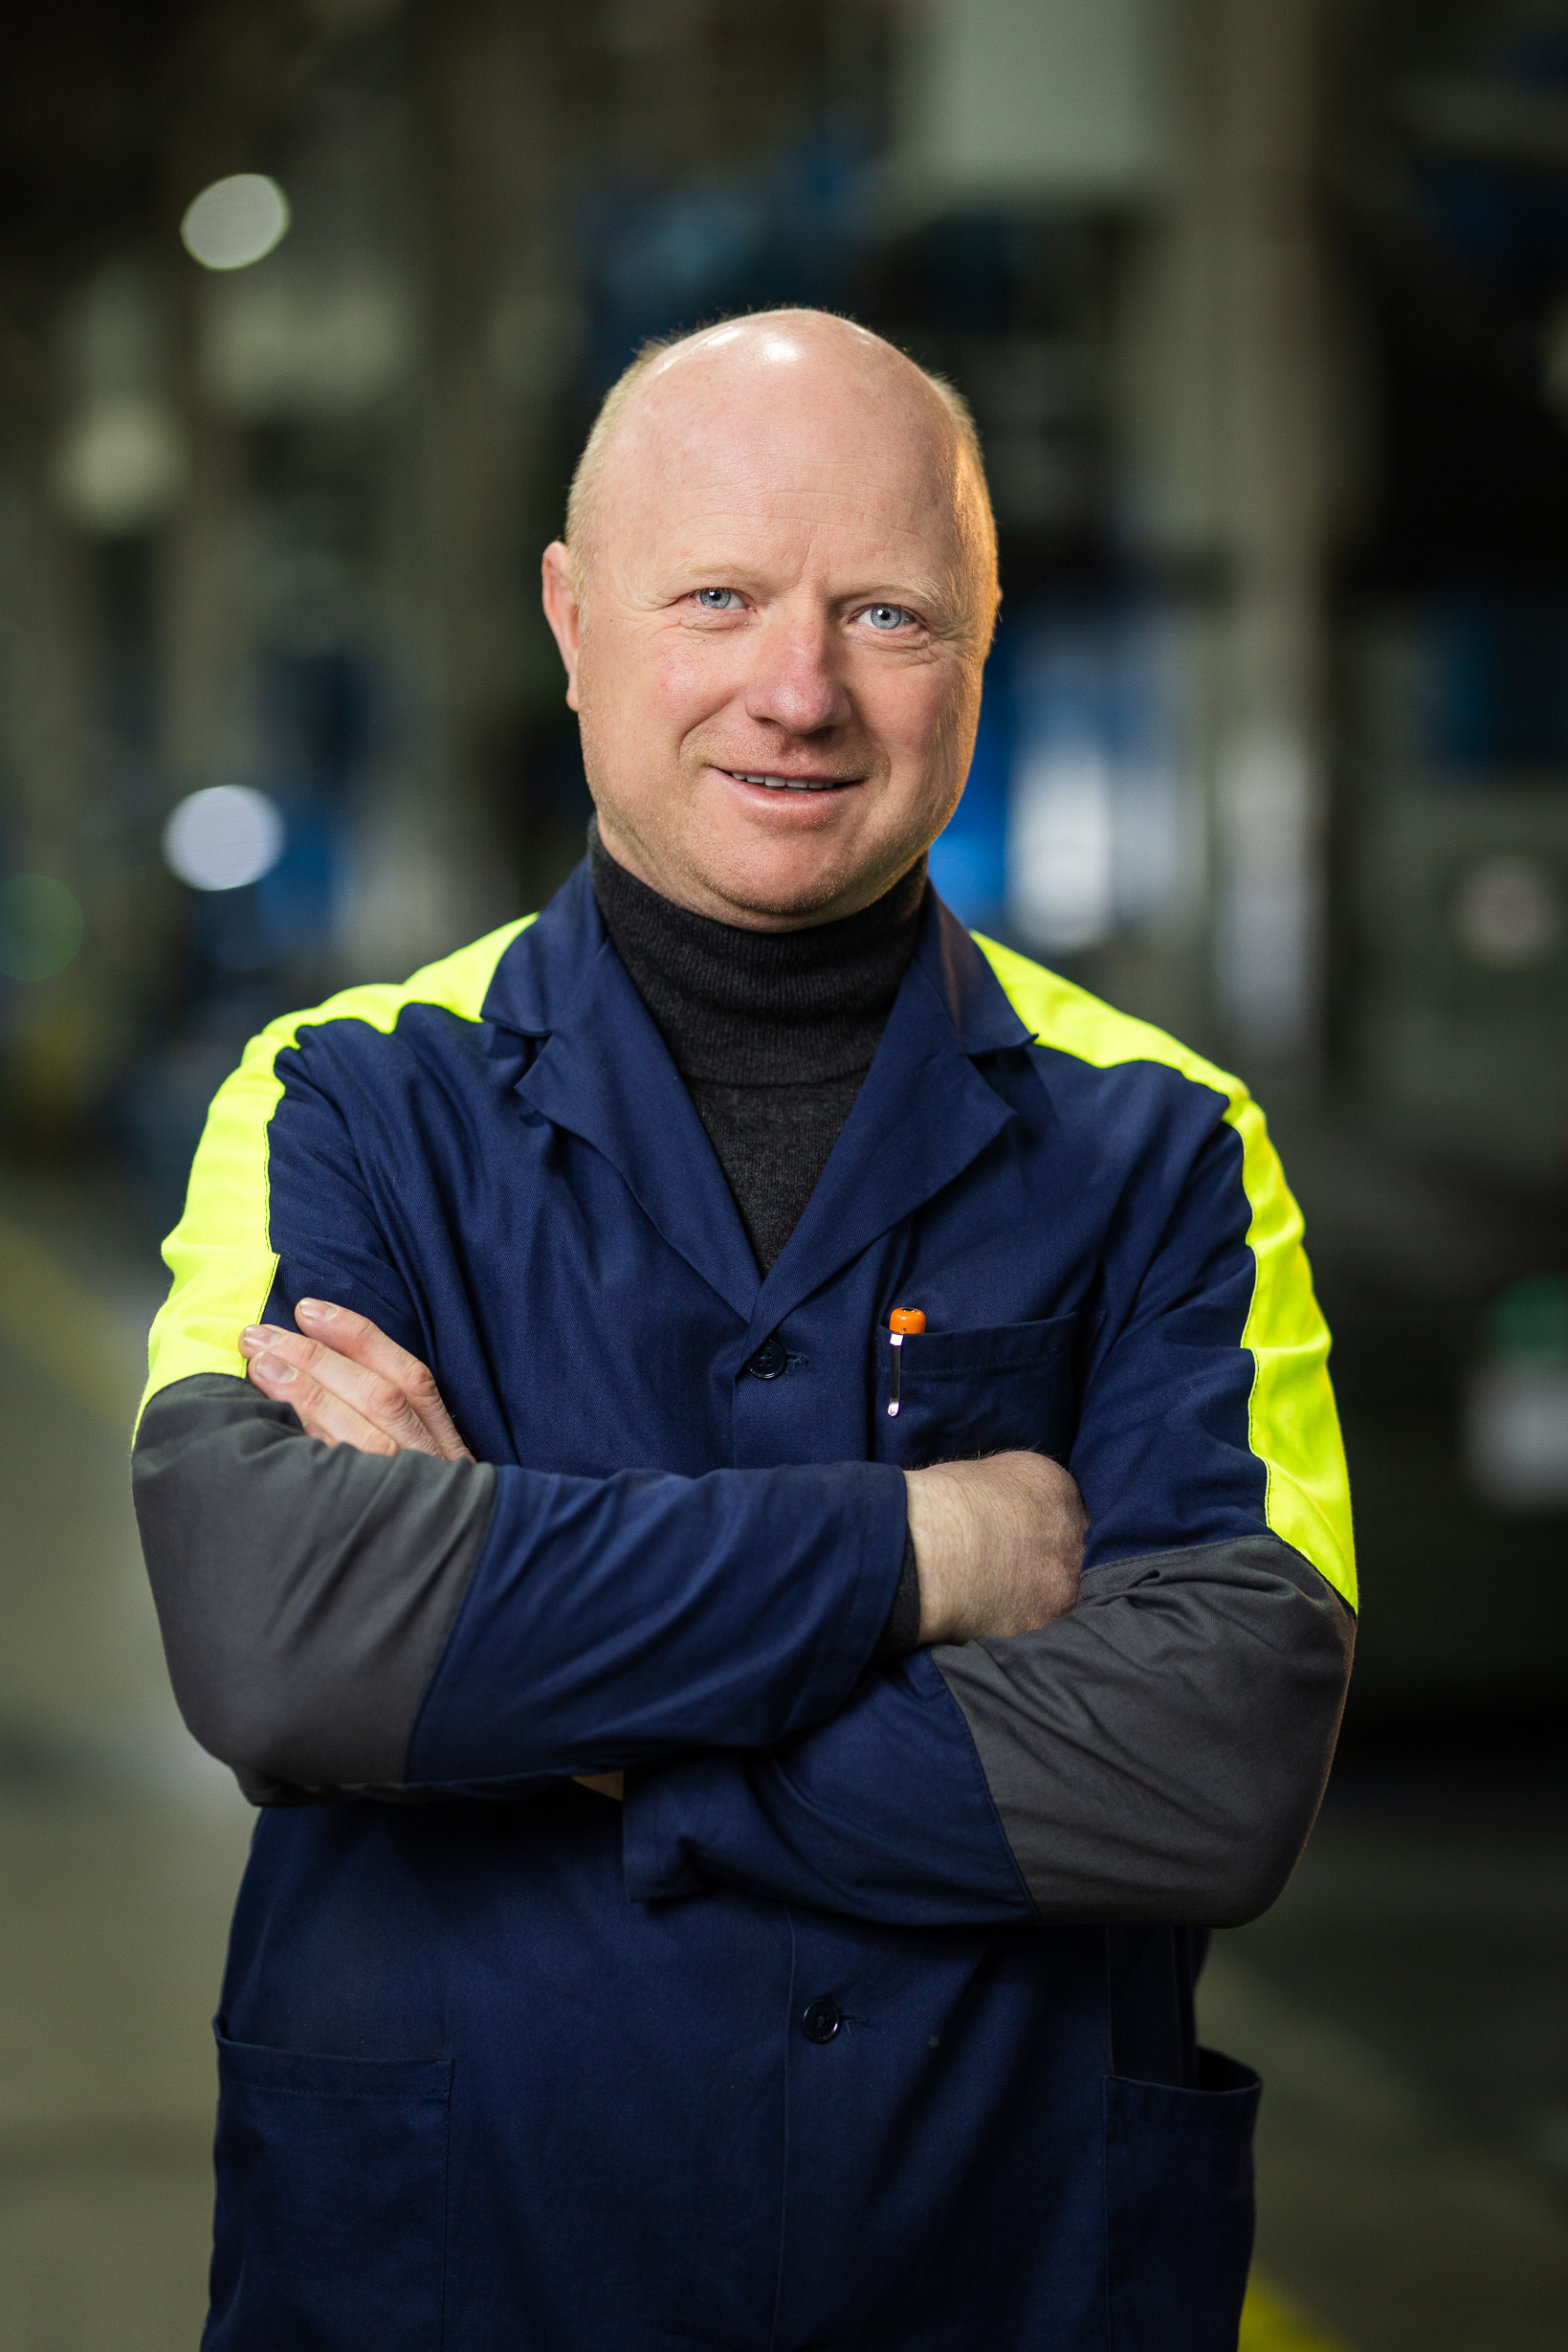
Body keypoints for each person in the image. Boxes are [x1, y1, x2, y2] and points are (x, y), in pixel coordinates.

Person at [133, 309, 1355, 2352]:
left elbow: (1214, 1759)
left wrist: (556, 1700)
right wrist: (927, 1550)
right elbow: (283, 1634)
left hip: (997, 2269)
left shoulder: (1170, 1144)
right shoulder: (342, 1096)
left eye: (885, 613)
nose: (798, 690)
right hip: (455, 2271)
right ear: (571, 618)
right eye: (717, 597)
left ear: (978, 646)